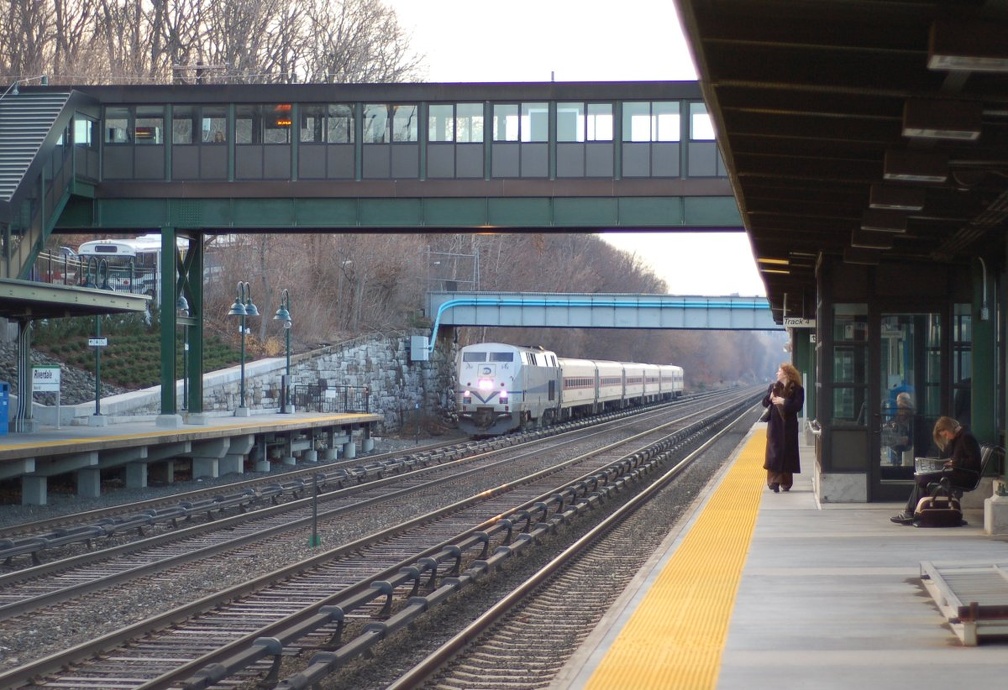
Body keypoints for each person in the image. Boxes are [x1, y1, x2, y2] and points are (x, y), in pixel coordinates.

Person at [890, 416, 982, 525]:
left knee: (923, 478)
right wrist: (950, 462)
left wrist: (955, 463)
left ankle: (910, 512)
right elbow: (959, 457)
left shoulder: (966, 437)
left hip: (965, 476)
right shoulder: (959, 437)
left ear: (949, 428)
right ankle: (912, 512)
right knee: (922, 477)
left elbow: (974, 461)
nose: (947, 438)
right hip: (958, 472)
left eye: (946, 434)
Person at [762, 362, 805, 492]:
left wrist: (784, 402)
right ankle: (774, 481)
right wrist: (769, 398)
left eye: (779, 371)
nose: (777, 373)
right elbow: (764, 403)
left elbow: (798, 406)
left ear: (786, 374)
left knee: (787, 452)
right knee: (774, 452)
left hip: (789, 426)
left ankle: (785, 481)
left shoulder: (798, 389)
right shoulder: (773, 387)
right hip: (775, 425)